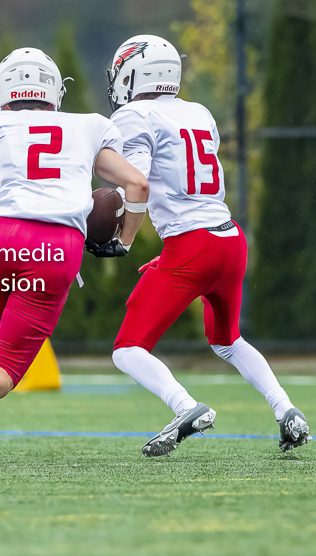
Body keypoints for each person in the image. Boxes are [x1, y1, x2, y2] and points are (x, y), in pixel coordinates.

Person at [0, 47, 150, 452]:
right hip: (55, 247)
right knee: (6, 372)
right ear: (55, 91)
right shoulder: (87, 126)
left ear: (2, 91)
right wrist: (123, 241)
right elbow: (138, 185)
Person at [104, 35, 310, 457]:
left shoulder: (133, 114)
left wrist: (120, 235)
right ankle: (287, 410)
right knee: (227, 339)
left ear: (130, 73)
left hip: (192, 246)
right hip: (228, 239)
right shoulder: (198, 111)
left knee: (127, 349)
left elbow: (136, 186)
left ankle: (185, 407)